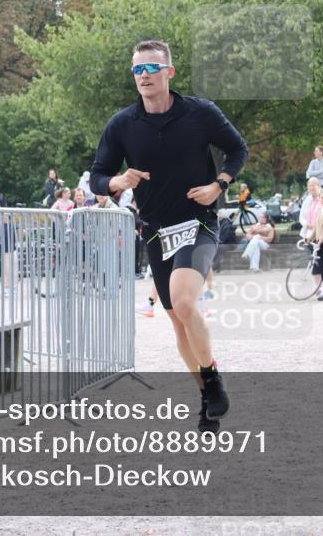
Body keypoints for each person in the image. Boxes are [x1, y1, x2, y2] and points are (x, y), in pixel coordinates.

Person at [89, 39, 248, 433]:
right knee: (178, 322)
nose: (144, 76)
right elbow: (97, 177)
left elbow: (237, 149)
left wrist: (220, 184)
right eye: (137, 70)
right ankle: (206, 396)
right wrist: (117, 181)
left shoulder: (200, 113)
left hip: (199, 221)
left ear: (169, 72)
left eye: (151, 68)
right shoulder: (123, 124)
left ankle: (212, 378)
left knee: (182, 298)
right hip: (156, 229)